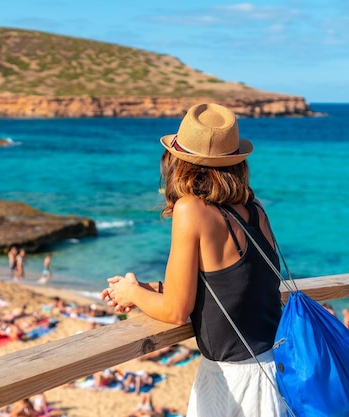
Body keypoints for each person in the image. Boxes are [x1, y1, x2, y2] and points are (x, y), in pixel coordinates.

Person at [102, 103, 284, 416]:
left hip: (235, 380)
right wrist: (147, 289)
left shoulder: (191, 210)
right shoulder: (255, 210)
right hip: (275, 368)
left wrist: (130, 292)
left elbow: (176, 311)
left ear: (179, 162)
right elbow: (233, 284)